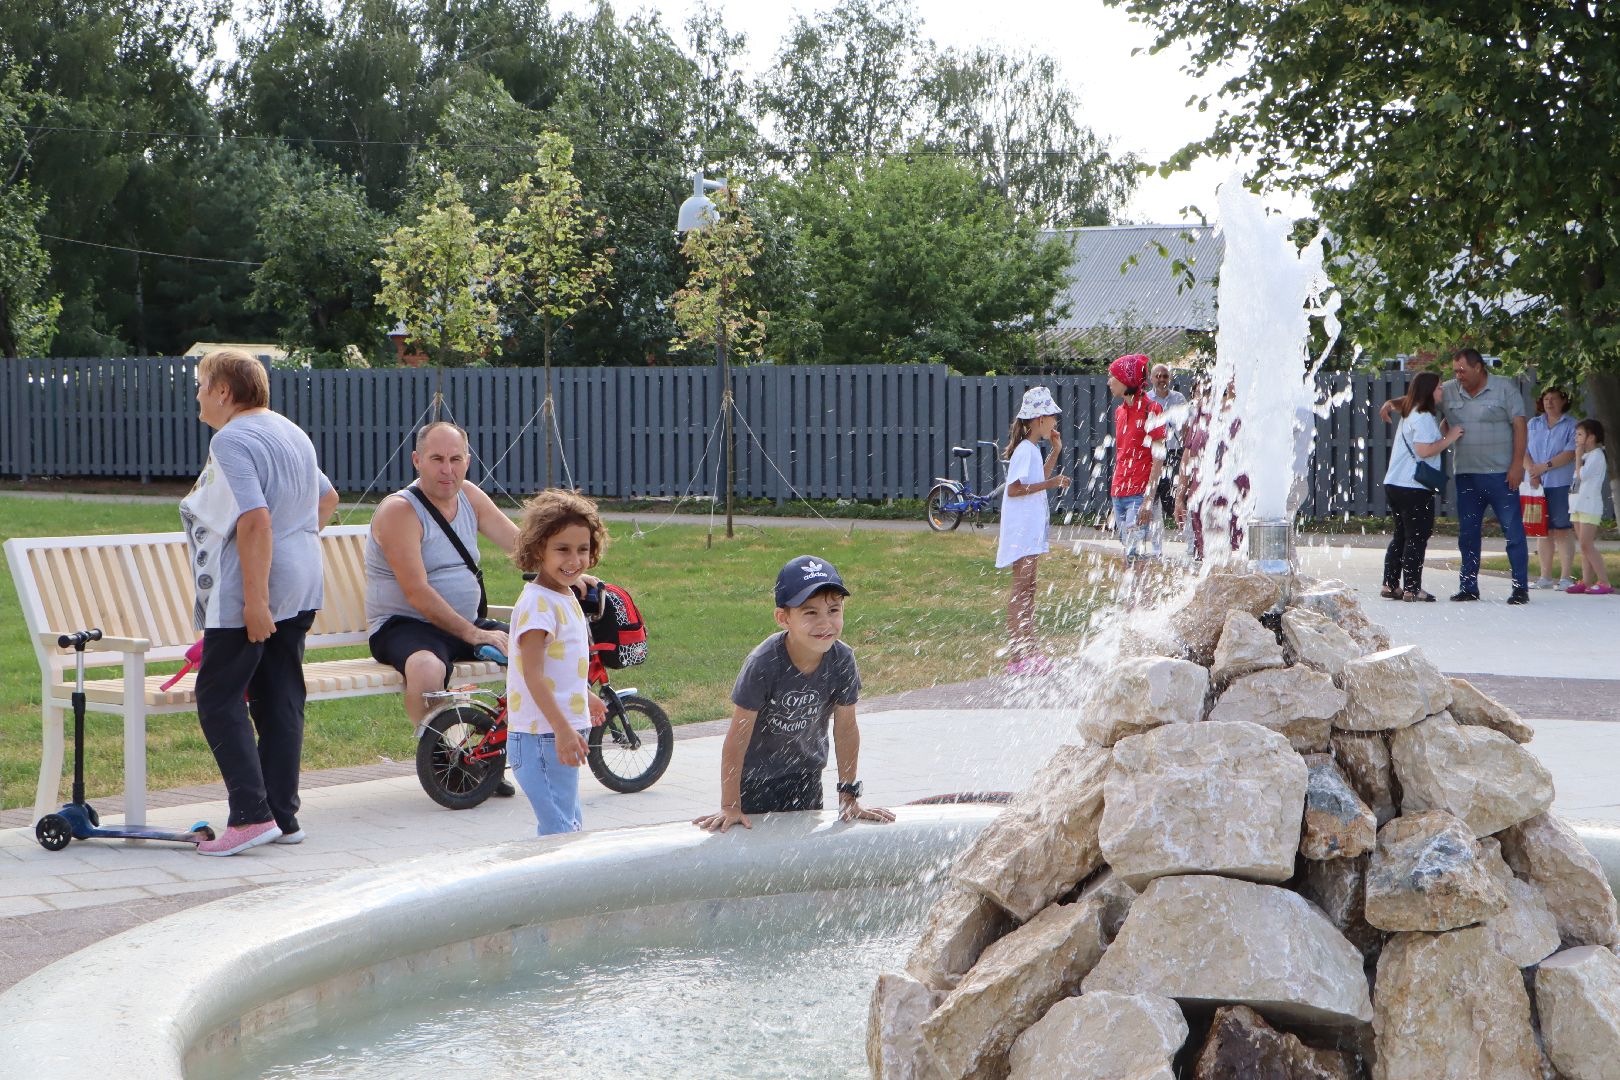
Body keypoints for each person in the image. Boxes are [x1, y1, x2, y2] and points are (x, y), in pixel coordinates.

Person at [181, 348, 339, 856]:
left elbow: (254, 520)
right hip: (303, 578)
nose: (198, 394)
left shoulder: (232, 439)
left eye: (202, 384)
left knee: (218, 696)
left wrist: (255, 602)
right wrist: (299, 541)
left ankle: (250, 815)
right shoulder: (291, 432)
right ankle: (282, 817)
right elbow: (328, 497)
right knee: (279, 694)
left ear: (225, 391)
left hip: (256, 587)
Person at [365, 421, 521, 797]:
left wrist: (570, 575)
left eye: (455, 459)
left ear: (468, 461)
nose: (447, 470)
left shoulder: (469, 495)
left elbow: (520, 546)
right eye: (437, 459)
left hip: (463, 624)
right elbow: (417, 592)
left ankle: (489, 753)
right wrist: (474, 633)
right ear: (417, 460)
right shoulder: (400, 510)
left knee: (538, 644)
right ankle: (447, 761)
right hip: (405, 625)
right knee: (426, 667)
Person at [693, 556, 896, 833]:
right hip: (754, 780)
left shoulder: (842, 659)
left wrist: (849, 797)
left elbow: (846, 729)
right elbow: (737, 738)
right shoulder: (764, 663)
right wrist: (730, 805)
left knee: (801, 850)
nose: (825, 623)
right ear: (783, 618)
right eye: (810, 613)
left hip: (805, 775)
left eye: (834, 610)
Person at [1381, 349, 1530, 603]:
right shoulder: (1450, 389)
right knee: (1468, 535)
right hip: (1467, 475)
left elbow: (1520, 425)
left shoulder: (1504, 388)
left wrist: (1518, 465)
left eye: (1462, 370)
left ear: (1479, 368)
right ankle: (1468, 587)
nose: (1457, 375)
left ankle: (1519, 588)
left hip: (1501, 475)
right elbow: (1419, 396)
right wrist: (1391, 403)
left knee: (1513, 532)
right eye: (1455, 371)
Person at [505, 489, 611, 835]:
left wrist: (584, 695)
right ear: (538, 550)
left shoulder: (564, 595)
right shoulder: (538, 604)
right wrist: (564, 730)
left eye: (582, 549)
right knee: (560, 831)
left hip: (555, 734)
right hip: (541, 737)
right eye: (562, 549)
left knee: (568, 823)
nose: (574, 560)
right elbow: (532, 675)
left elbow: (559, 666)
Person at [995, 386, 1071, 676]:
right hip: (1021, 534)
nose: (1055, 422)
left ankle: (1029, 649)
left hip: (1029, 532)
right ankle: (1019, 655)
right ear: (1039, 419)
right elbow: (1014, 490)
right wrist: (1051, 485)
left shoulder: (1032, 451)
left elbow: (1040, 477)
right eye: (1052, 416)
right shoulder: (1025, 451)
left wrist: (1056, 450)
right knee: (1021, 591)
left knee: (1029, 589)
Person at [1380, 372, 1464, 602]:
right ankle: (1412, 588)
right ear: (1428, 391)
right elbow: (1425, 450)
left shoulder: (1410, 412)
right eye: (1438, 388)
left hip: (1395, 482)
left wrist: (1443, 436)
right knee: (1417, 536)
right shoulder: (1423, 416)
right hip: (1413, 486)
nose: (1442, 391)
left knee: (1401, 535)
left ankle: (1390, 584)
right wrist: (1451, 437)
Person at [1107, 354, 1166, 561]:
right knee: (1128, 551)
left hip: (1139, 494)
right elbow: (1123, 454)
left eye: (1112, 376)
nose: (1109, 382)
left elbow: (1158, 458)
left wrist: (1148, 499)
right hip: (1119, 492)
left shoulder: (1152, 409)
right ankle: (1130, 593)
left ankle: (1138, 593)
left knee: (1134, 554)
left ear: (1125, 379)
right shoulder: (1119, 412)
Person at [1525, 387, 1579, 590]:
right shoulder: (1533, 423)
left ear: (1564, 401)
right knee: (1542, 531)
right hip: (1535, 485)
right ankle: (1545, 577)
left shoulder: (1572, 424)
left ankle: (1565, 577)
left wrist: (1544, 467)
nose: (1549, 402)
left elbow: (1569, 453)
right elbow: (1524, 449)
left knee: (1561, 530)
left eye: (1554, 399)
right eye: (1546, 399)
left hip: (1559, 482)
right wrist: (1532, 471)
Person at [1566, 419, 1612, 595]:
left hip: (1589, 506)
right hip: (1578, 505)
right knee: (1583, 545)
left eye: (1580, 434)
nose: (1576, 438)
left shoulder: (1597, 456)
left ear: (1591, 437)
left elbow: (1582, 475)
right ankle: (1586, 581)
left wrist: (1577, 457)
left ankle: (1604, 581)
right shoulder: (1586, 456)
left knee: (1587, 544)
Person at [1145, 363, 1188, 526]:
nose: (1161, 379)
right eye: (1158, 376)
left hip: (1174, 451)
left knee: (1176, 494)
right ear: (1151, 378)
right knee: (1153, 496)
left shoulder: (1178, 398)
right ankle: (1157, 546)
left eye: (1164, 376)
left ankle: (1186, 533)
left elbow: (1185, 426)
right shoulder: (1147, 399)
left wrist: (1186, 447)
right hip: (1153, 452)